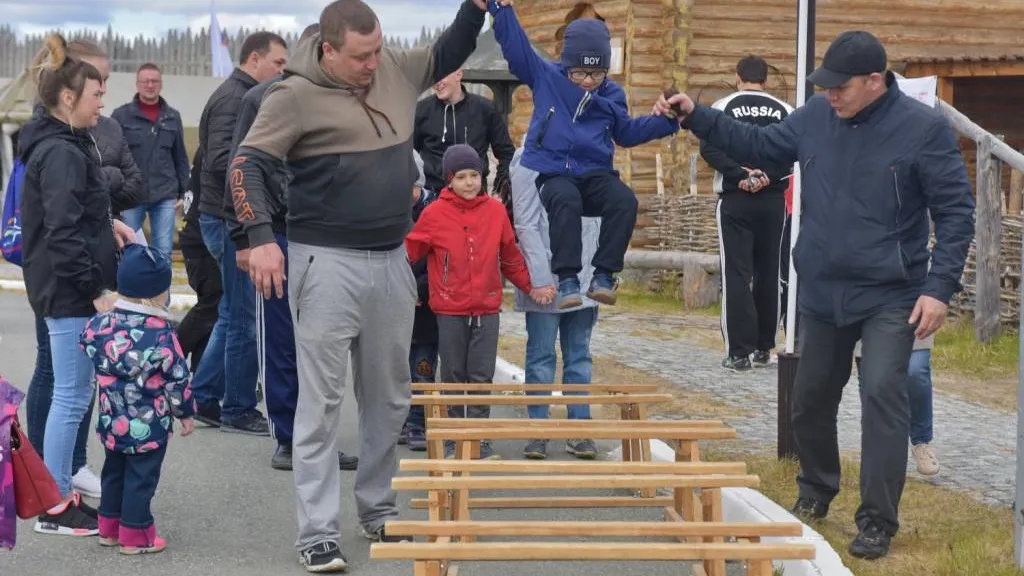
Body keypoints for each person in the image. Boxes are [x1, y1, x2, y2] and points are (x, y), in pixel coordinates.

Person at [656, 30, 975, 559]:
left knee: (882, 399)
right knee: (808, 401)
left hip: (891, 294)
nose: (830, 94)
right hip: (824, 289)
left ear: (875, 81)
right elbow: (759, 146)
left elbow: (956, 213)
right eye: (824, 86)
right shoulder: (814, 118)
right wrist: (696, 114)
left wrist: (939, 289)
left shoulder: (923, 131)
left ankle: (876, 521)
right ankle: (816, 489)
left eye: (839, 86)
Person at [230, 0, 496, 570]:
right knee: (322, 403)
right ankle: (318, 530)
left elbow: (449, 51)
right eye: (361, 55)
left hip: (391, 259)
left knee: (389, 396)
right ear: (328, 50)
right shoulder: (292, 95)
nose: (374, 63)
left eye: (378, 49)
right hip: (323, 261)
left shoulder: (393, 69)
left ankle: (377, 509)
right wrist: (258, 236)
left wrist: (473, 10)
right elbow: (245, 164)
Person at [227, 23, 359, 472]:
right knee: (282, 341)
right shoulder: (261, 98)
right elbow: (240, 169)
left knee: (326, 347)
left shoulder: (347, 100)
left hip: (331, 237)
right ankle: (287, 437)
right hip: (278, 235)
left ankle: (320, 438)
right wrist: (245, 238)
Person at [489, 2, 680, 309]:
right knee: (566, 198)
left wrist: (668, 121)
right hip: (554, 172)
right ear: (566, 64)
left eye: (597, 73)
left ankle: (603, 276)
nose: (589, 81)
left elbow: (627, 133)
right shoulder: (546, 77)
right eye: (580, 73)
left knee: (624, 200)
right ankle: (567, 280)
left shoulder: (612, 94)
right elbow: (518, 48)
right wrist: (501, 11)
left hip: (594, 174)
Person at [19, 33, 135, 536]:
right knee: (70, 395)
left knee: (75, 391)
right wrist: (95, 289)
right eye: (96, 94)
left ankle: (59, 491)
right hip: (68, 291)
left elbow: (73, 216)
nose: (103, 101)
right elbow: (62, 232)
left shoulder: (65, 142)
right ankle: (56, 503)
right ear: (69, 98)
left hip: (66, 286)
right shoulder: (61, 151)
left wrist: (107, 224)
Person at [406, 144, 544, 460]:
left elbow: (510, 257)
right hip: (449, 309)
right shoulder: (434, 214)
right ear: (449, 180)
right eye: (462, 177)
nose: (469, 183)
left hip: (486, 307)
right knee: (454, 374)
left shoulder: (495, 212)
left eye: (475, 175)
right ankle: (455, 438)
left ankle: (478, 437)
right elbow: (410, 252)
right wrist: (401, 287)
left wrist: (531, 287)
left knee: (480, 375)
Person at [191, 31, 287, 434]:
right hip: (230, 219)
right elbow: (221, 161)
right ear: (254, 60)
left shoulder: (242, 94)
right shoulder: (238, 98)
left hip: (226, 215)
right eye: (278, 63)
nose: (284, 71)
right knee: (245, 315)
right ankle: (238, 407)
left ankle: (204, 395)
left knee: (233, 312)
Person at [79, 244, 195, 554]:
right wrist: (184, 412)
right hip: (149, 423)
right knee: (141, 478)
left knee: (114, 471)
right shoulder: (161, 334)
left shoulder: (101, 324)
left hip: (111, 419)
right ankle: (135, 535)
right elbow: (177, 378)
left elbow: (85, 342)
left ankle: (109, 528)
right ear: (155, 295)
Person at [701, 55, 793, 372]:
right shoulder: (784, 110)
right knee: (769, 272)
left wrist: (740, 174)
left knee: (737, 274)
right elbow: (794, 150)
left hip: (735, 197)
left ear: (738, 77)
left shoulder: (724, 105)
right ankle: (765, 346)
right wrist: (768, 174)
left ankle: (738, 352)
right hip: (772, 200)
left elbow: (708, 148)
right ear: (765, 80)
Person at [510, 144, 599, 460]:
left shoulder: (593, 149)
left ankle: (580, 429)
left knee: (579, 356)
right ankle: (538, 430)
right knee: (541, 356)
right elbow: (525, 222)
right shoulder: (529, 155)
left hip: (585, 276)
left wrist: (603, 269)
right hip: (546, 275)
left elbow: (601, 215)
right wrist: (539, 276)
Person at [112, 63, 191, 257]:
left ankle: (162, 288)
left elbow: (180, 156)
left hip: (164, 194)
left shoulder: (172, 117)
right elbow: (112, 156)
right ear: (137, 84)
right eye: (145, 81)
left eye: (154, 81)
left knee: (163, 250)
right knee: (128, 247)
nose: (150, 85)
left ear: (161, 84)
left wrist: (183, 190)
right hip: (131, 194)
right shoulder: (121, 116)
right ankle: (129, 287)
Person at [414, 67, 516, 196]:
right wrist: (415, 191)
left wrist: (499, 192)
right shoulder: (421, 110)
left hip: (475, 197)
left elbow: (507, 154)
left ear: (459, 74)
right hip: (434, 197)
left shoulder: (485, 109)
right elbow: (408, 155)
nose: (437, 82)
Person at [854, 337, 938, 475]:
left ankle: (922, 442)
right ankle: (880, 449)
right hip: (865, 321)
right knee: (873, 383)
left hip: (911, 319)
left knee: (915, 372)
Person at [400, 149, 436, 451]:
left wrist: (418, 290)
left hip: (424, 307)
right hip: (393, 306)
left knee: (421, 369)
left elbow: (439, 261)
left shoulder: (434, 210)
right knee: (394, 369)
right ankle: (398, 420)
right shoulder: (384, 210)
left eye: (411, 187)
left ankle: (416, 422)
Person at [176, 146, 222, 375]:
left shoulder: (208, 146)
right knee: (212, 304)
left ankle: (201, 371)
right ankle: (170, 356)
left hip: (197, 237)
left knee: (214, 311)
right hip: (201, 241)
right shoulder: (213, 150)